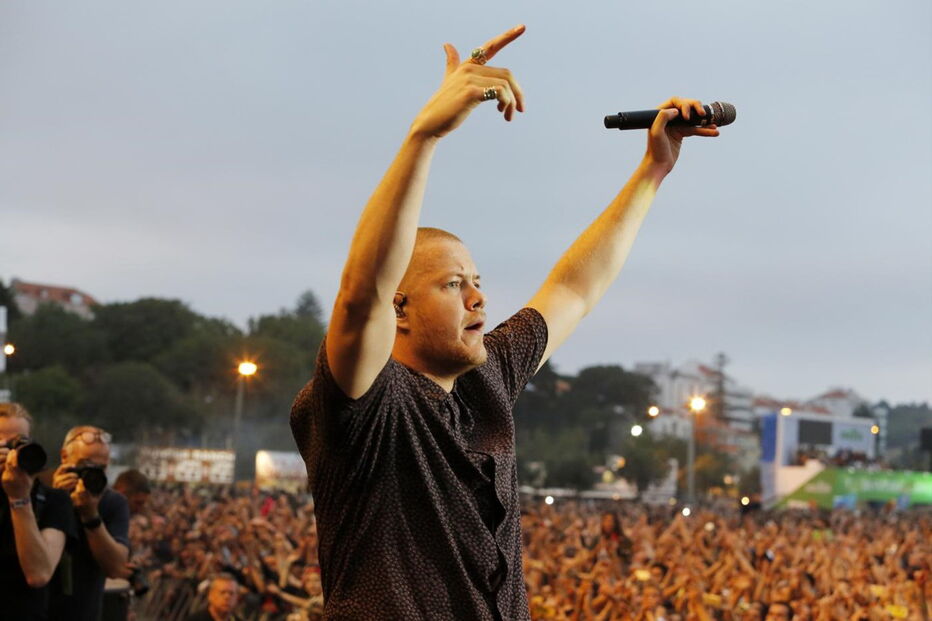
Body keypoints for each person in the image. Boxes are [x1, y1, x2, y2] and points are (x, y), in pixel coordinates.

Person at [290, 24, 720, 620]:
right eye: (453, 284)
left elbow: (573, 288)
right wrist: (424, 137)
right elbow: (362, 294)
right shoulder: (365, 407)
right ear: (399, 309)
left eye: (478, 281)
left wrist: (652, 171)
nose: (478, 299)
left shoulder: (485, 378)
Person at [0, 402, 76, 620]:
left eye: (19, 443)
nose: (12, 453)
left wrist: (19, 498)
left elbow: (39, 574)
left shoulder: (54, 500)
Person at [49, 425, 131, 621]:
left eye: (101, 469)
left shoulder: (112, 502)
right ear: (64, 457)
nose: (92, 474)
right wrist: (56, 500)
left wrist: (91, 516)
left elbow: (117, 568)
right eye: (85, 465)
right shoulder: (37, 493)